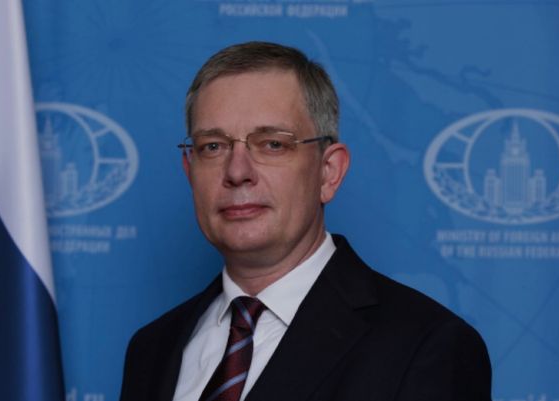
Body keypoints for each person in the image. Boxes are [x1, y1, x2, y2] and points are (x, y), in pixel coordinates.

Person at [120, 41, 491, 401]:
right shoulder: (152, 349)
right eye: (212, 147)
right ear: (190, 171)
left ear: (329, 172)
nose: (237, 171)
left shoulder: (426, 346)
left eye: (273, 144)